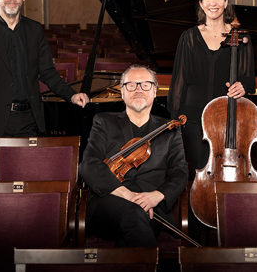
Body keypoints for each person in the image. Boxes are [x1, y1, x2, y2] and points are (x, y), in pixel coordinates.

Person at [0, 0, 89, 180]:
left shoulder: (34, 30)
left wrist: (71, 94)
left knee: (28, 183)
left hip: (28, 121)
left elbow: (47, 72)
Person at [167, 0, 256, 238]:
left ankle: (232, 228)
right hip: (194, 119)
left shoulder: (242, 37)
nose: (213, 3)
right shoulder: (189, 37)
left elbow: (249, 79)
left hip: (228, 117)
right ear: (201, 3)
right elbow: (178, 81)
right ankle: (198, 234)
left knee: (231, 173)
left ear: (226, 2)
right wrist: (175, 119)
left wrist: (243, 88)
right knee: (200, 173)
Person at [78, 64, 188, 247]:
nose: (138, 90)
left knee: (135, 224)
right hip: (108, 202)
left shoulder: (170, 129)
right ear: (122, 92)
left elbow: (180, 171)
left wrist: (157, 195)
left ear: (154, 91)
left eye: (145, 85)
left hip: (151, 207)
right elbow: (88, 164)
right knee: (134, 214)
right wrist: (127, 195)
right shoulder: (104, 122)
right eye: (131, 85)